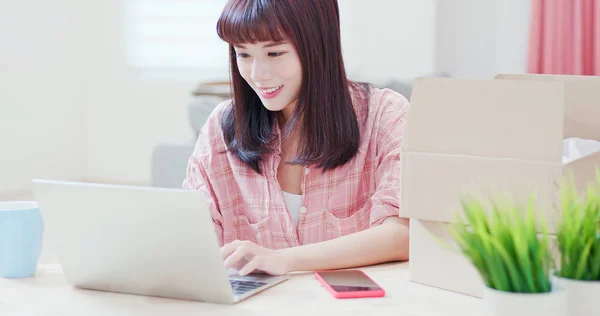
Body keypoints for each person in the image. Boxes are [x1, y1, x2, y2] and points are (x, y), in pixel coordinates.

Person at [183, 0, 410, 276]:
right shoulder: (220, 128)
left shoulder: (384, 116)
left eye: (275, 53)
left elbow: (404, 234)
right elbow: (191, 240)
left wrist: (285, 260)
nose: (257, 75)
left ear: (317, 45)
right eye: (243, 54)